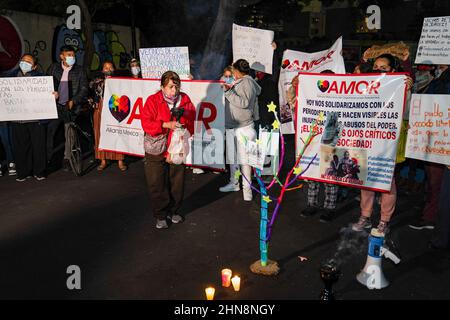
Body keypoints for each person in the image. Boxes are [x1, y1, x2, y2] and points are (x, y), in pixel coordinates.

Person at [352, 54, 413, 235]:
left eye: (384, 68)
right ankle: (365, 215)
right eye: (376, 66)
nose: (378, 70)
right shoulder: (366, 85)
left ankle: (384, 219)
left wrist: (407, 90)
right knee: (366, 179)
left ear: (393, 71)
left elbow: (406, 112)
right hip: (368, 139)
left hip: (387, 141)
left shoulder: (401, 86)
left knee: (386, 180)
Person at [140, 71, 195, 229]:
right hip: (156, 147)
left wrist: (184, 127)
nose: (174, 90)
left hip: (176, 147)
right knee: (156, 183)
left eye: (176, 86)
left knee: (177, 182)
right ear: (162, 87)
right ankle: (160, 214)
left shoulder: (184, 99)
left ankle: (174, 210)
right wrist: (166, 124)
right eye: (171, 86)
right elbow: (146, 123)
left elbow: (191, 118)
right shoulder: (153, 100)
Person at [408, 64, 450, 230]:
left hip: (442, 137)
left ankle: (431, 218)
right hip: (431, 133)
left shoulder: (444, 81)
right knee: (432, 181)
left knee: (437, 182)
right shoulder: (435, 78)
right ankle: (431, 212)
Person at [219, 59, 261, 201]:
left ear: (238, 71)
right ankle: (234, 183)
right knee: (232, 158)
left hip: (244, 128)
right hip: (233, 126)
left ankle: (247, 192)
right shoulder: (238, 81)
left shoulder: (247, 82)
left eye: (234, 70)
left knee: (245, 161)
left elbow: (244, 103)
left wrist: (228, 92)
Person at [46, 45, 88, 170]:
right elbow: (46, 83)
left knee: (69, 132)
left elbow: (84, 90)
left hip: (70, 107)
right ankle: (46, 158)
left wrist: (73, 101)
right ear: (62, 56)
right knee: (49, 131)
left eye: (73, 55)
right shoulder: (53, 68)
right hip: (55, 107)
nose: (72, 57)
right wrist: (50, 93)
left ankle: (67, 158)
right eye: (69, 55)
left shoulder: (80, 70)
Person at [89, 61, 127, 171]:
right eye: (106, 67)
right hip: (100, 107)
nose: (108, 69)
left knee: (117, 133)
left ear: (114, 69)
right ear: (102, 70)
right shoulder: (97, 82)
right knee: (100, 133)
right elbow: (92, 89)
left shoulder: (120, 82)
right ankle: (103, 160)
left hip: (115, 107)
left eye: (110, 67)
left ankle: (120, 160)